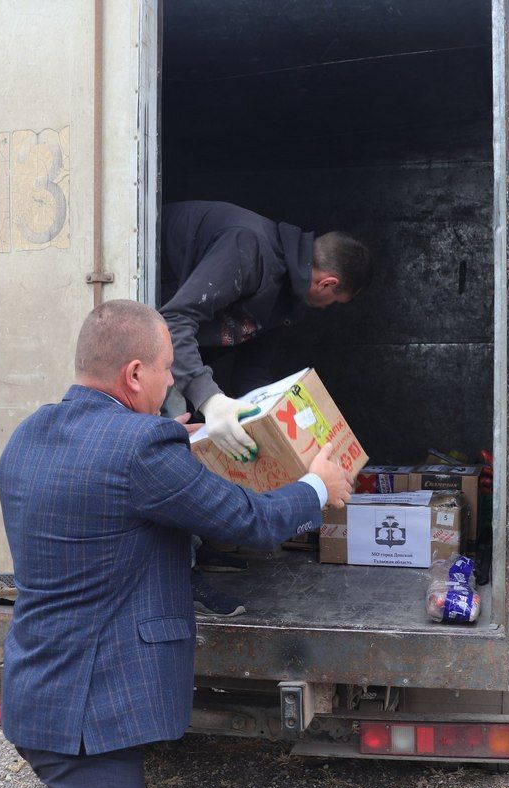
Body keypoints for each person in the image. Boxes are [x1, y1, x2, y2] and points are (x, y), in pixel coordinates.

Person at [0, 300, 350, 788]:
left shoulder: (28, 434)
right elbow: (252, 521)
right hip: (91, 712)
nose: (171, 384)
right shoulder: (141, 450)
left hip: (40, 690)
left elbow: (100, 477)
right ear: (135, 373)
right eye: (167, 370)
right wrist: (316, 484)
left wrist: (168, 441)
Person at [157, 201, 371, 615]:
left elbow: (253, 368)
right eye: (336, 301)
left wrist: (264, 421)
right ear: (327, 284)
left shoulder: (287, 298)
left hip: (178, 351)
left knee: (221, 439)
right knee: (168, 442)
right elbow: (173, 322)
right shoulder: (249, 247)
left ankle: (200, 547)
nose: (329, 309)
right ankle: (178, 579)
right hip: (152, 335)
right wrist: (210, 398)